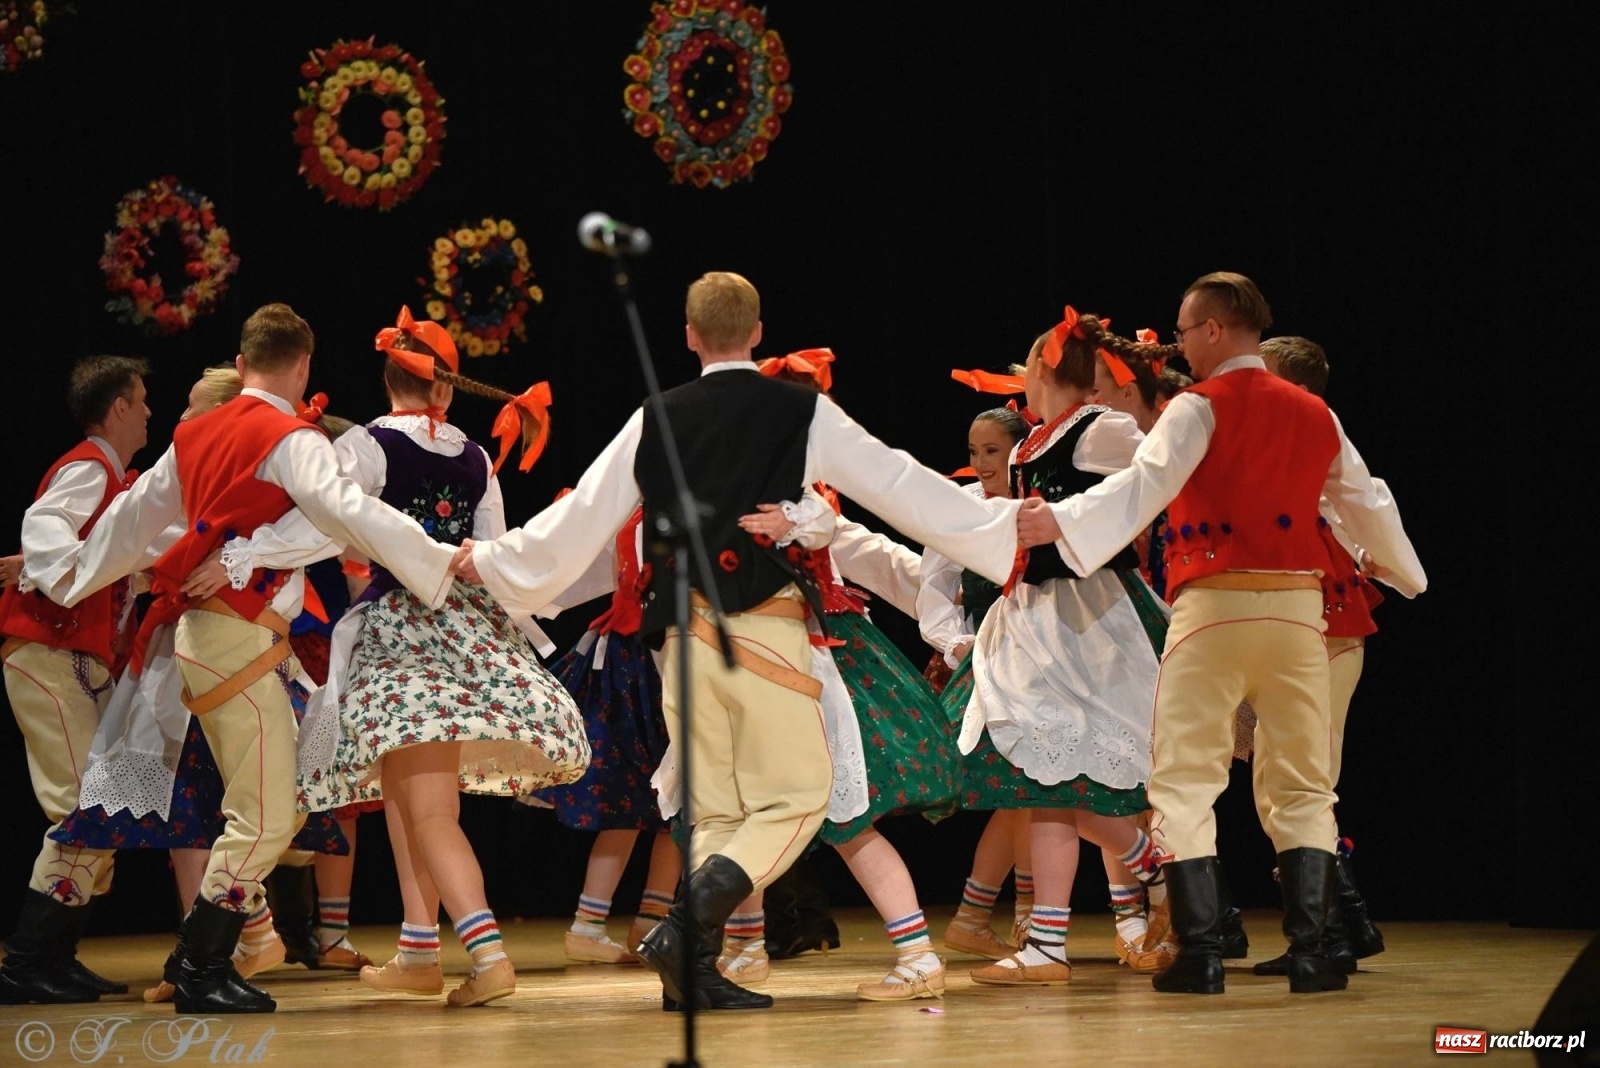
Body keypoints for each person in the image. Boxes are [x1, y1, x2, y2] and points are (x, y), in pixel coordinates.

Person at [455, 271, 1020, 1011]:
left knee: (716, 811)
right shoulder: (800, 410)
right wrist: (1010, 537)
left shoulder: (654, 417)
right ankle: (686, 928)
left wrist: (489, 561)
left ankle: (692, 966)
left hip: (681, 649)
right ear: (757, 333)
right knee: (799, 800)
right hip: (762, 634)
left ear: (690, 337)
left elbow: (579, 521)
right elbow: (902, 485)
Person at [1016, 272, 1426, 994]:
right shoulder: (1313, 412)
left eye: (1182, 330)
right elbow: (1364, 497)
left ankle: (1202, 953)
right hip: (1299, 613)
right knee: (1302, 785)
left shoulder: (1197, 407)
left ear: (1212, 328)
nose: (1178, 345)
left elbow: (1143, 486)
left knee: (1184, 777)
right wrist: (1404, 573)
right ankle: (1311, 953)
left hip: (1216, 605)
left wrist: (1063, 523)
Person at [56, 303, 460, 1014]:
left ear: (241, 365)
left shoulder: (193, 433)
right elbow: (346, 513)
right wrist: (433, 558)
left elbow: (130, 522)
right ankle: (203, 963)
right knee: (269, 816)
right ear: (303, 367)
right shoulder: (291, 437)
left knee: (256, 809)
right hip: (235, 639)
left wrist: (63, 574)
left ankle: (201, 958)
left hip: (207, 642)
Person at [296, 306, 589, 1008]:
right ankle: (419, 948)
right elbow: (490, 548)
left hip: (401, 633)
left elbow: (329, 521)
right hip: (469, 631)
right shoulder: (477, 457)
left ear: (387, 377)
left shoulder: (367, 445)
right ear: (447, 389)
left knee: (426, 810)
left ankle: (487, 956)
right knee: (409, 795)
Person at [956, 310, 1172, 989]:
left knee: (1084, 776)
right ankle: (1048, 943)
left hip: (1088, 621)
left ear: (1046, 371)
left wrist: (1073, 522)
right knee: (1039, 779)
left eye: (1029, 370)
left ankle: (1137, 873)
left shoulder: (1102, 426)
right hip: (1035, 618)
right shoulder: (1039, 439)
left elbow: (1153, 479)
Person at [0, 355, 150, 1004]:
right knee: (83, 807)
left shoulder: (115, 483)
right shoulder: (88, 469)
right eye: (141, 400)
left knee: (107, 804)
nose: (148, 411)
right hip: (47, 654)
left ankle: (54, 954)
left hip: (78, 660)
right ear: (117, 406)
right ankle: (29, 959)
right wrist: (40, 569)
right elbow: (47, 531)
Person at [1247, 335, 1387, 975]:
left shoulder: (1314, 446)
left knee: (1303, 782)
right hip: (1282, 629)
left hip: (1325, 629)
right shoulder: (1264, 455)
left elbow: (1367, 506)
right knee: (1273, 787)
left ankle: (1329, 932)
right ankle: (1342, 924)